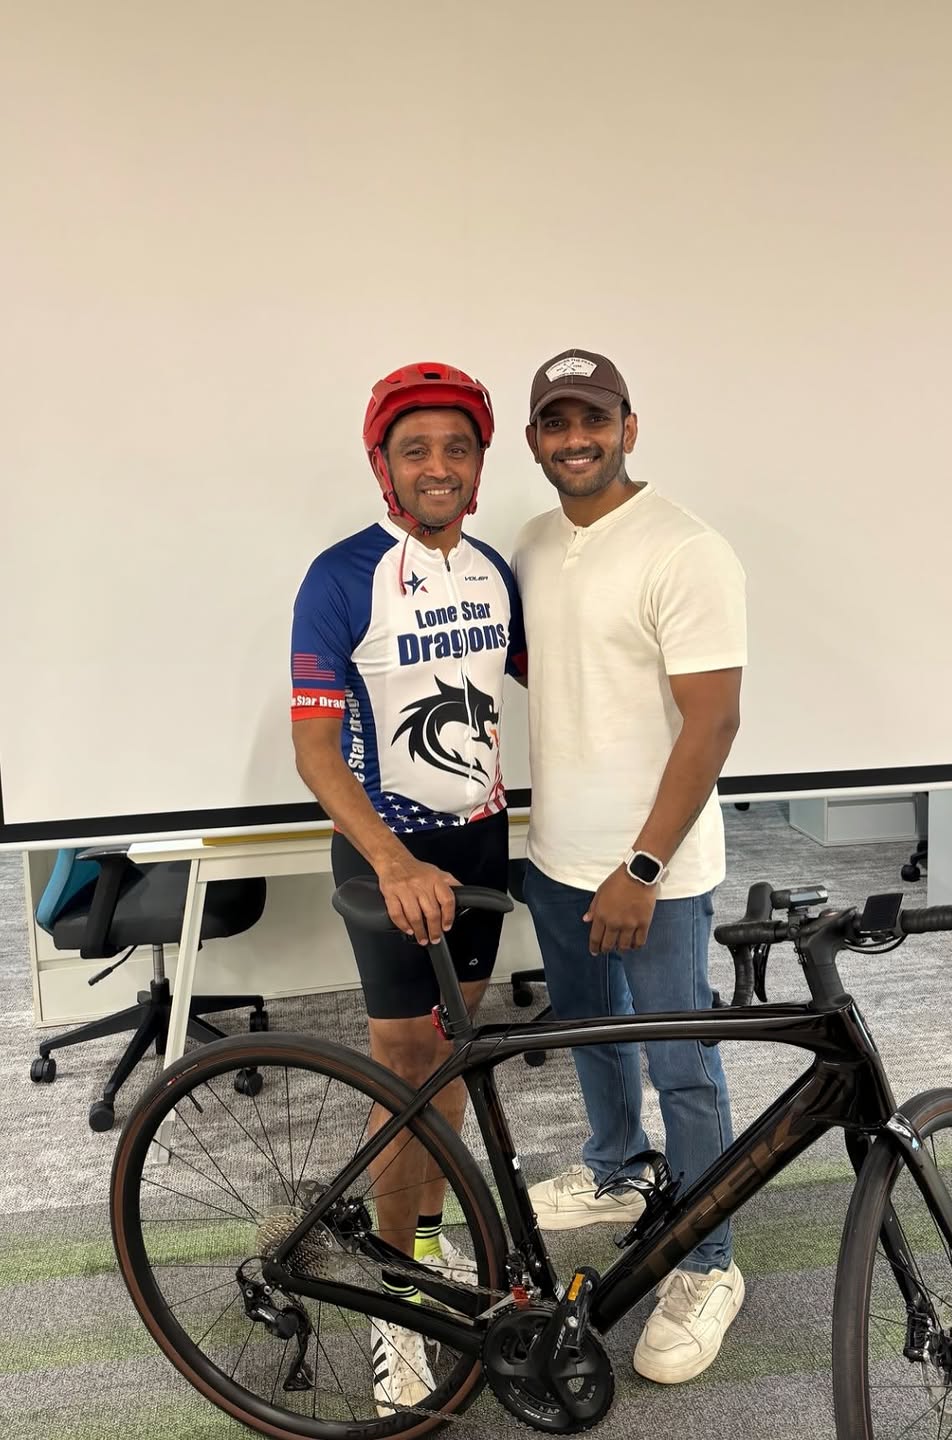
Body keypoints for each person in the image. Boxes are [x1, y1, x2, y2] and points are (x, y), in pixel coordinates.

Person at [290, 361, 525, 1414]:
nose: (439, 465)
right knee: (404, 1069)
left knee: (455, 1060)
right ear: (383, 463)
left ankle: (426, 1241)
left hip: (479, 844)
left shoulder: (494, 572)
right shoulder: (341, 576)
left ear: (479, 463)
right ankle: (395, 1298)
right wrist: (392, 860)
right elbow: (315, 751)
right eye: (416, 447)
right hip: (389, 855)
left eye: (457, 447)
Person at [512, 348, 747, 1386]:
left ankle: (709, 1257)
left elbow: (714, 721)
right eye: (557, 423)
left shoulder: (686, 550)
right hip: (557, 856)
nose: (577, 440)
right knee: (588, 1032)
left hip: (657, 872)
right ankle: (616, 1169)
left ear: (629, 427)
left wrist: (641, 867)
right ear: (535, 440)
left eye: (593, 420)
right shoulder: (531, 544)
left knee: (681, 1065)